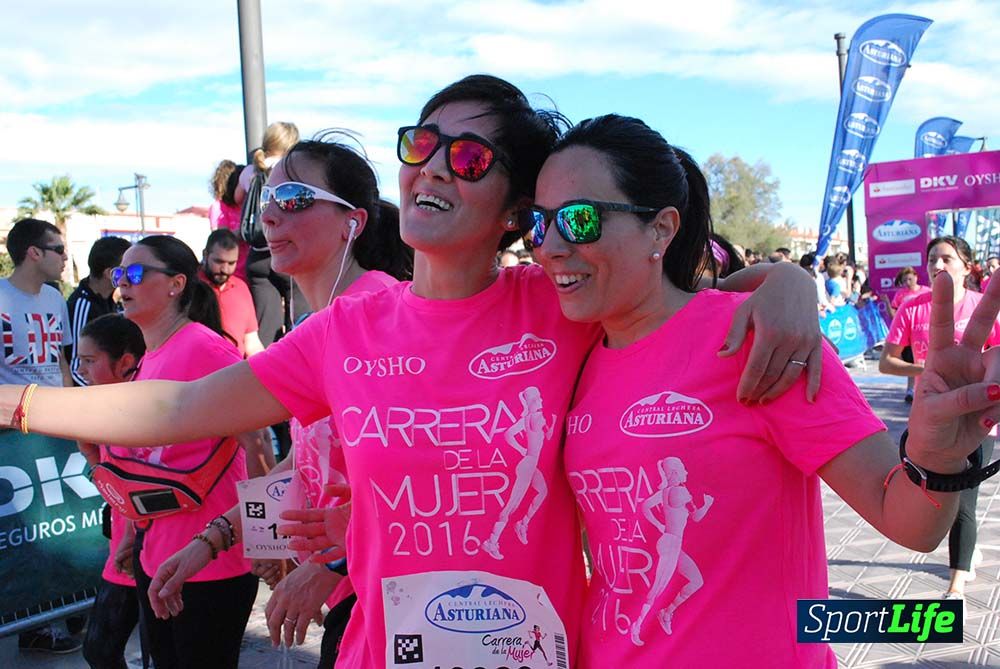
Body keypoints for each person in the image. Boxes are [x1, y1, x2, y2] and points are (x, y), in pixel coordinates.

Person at [2, 76, 823, 669]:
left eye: (468, 157)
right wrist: (18, 403)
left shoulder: (555, 303)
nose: (432, 166)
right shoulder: (348, 328)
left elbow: (675, 302)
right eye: (421, 144)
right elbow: (181, 405)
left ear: (513, 212)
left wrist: (788, 282)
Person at [528, 114, 1000, 666]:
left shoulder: (761, 337)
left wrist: (938, 455)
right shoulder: (574, 351)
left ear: (661, 228)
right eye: (539, 224)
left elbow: (909, 522)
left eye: (579, 220)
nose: (551, 247)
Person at [154, 131, 412, 668]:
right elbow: (305, 458)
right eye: (266, 200)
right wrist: (214, 541)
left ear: (353, 221)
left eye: (292, 200)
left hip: (391, 600)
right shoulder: (316, 322)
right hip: (349, 595)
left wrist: (334, 566)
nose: (270, 217)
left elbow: (424, 472)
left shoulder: (386, 311)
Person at [111, 235, 260, 668]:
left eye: (136, 273)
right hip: (156, 551)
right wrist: (133, 533)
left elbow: (259, 447)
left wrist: (269, 543)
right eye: (119, 273)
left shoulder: (206, 349)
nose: (123, 282)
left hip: (210, 562)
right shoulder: (151, 356)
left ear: (176, 284)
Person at [880, 236, 1000, 600]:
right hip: (929, 422)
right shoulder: (912, 307)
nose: (937, 266)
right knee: (939, 498)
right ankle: (965, 550)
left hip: (978, 419)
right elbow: (887, 362)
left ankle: (956, 585)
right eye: (932, 258)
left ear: (967, 265)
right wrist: (927, 371)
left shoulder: (986, 306)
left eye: (947, 258)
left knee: (965, 501)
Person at [2, 218, 81, 654]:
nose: (65, 257)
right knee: (24, 534)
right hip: (14, 436)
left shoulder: (55, 299)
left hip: (55, 430)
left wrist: (72, 416)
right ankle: (34, 624)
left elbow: (62, 364)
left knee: (60, 528)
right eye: (59, 249)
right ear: (34, 252)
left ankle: (60, 614)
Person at [76, 314, 145, 669]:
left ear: (126, 363)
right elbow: (112, 485)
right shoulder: (101, 407)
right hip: (124, 544)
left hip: (142, 549)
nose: (82, 371)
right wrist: (90, 453)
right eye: (80, 360)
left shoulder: (140, 410)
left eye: (90, 361)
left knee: (104, 650)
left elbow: (142, 488)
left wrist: (132, 534)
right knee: (100, 650)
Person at [235, 121, 301, 347]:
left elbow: (236, 198)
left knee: (265, 327)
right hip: (285, 251)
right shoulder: (290, 167)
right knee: (300, 322)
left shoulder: (250, 171)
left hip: (257, 256)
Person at [66, 236, 131, 385]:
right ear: (110, 274)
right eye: (126, 270)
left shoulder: (108, 301)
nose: (133, 276)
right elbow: (77, 367)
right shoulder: (83, 305)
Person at [200, 228, 264, 357]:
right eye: (218, 262)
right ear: (205, 255)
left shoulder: (241, 288)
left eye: (231, 263)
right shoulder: (190, 286)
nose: (225, 269)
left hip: (234, 369)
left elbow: (251, 342)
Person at [887, 266, 930, 402]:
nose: (908, 282)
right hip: (909, 335)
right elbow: (893, 315)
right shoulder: (900, 295)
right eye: (905, 280)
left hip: (926, 332)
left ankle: (929, 388)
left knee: (929, 361)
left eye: (910, 278)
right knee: (912, 362)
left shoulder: (928, 291)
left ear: (916, 277)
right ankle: (911, 390)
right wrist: (886, 303)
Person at [208, 159, 248, 281]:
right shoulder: (219, 207)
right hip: (233, 273)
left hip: (248, 269)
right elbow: (221, 238)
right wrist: (245, 230)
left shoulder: (244, 206)